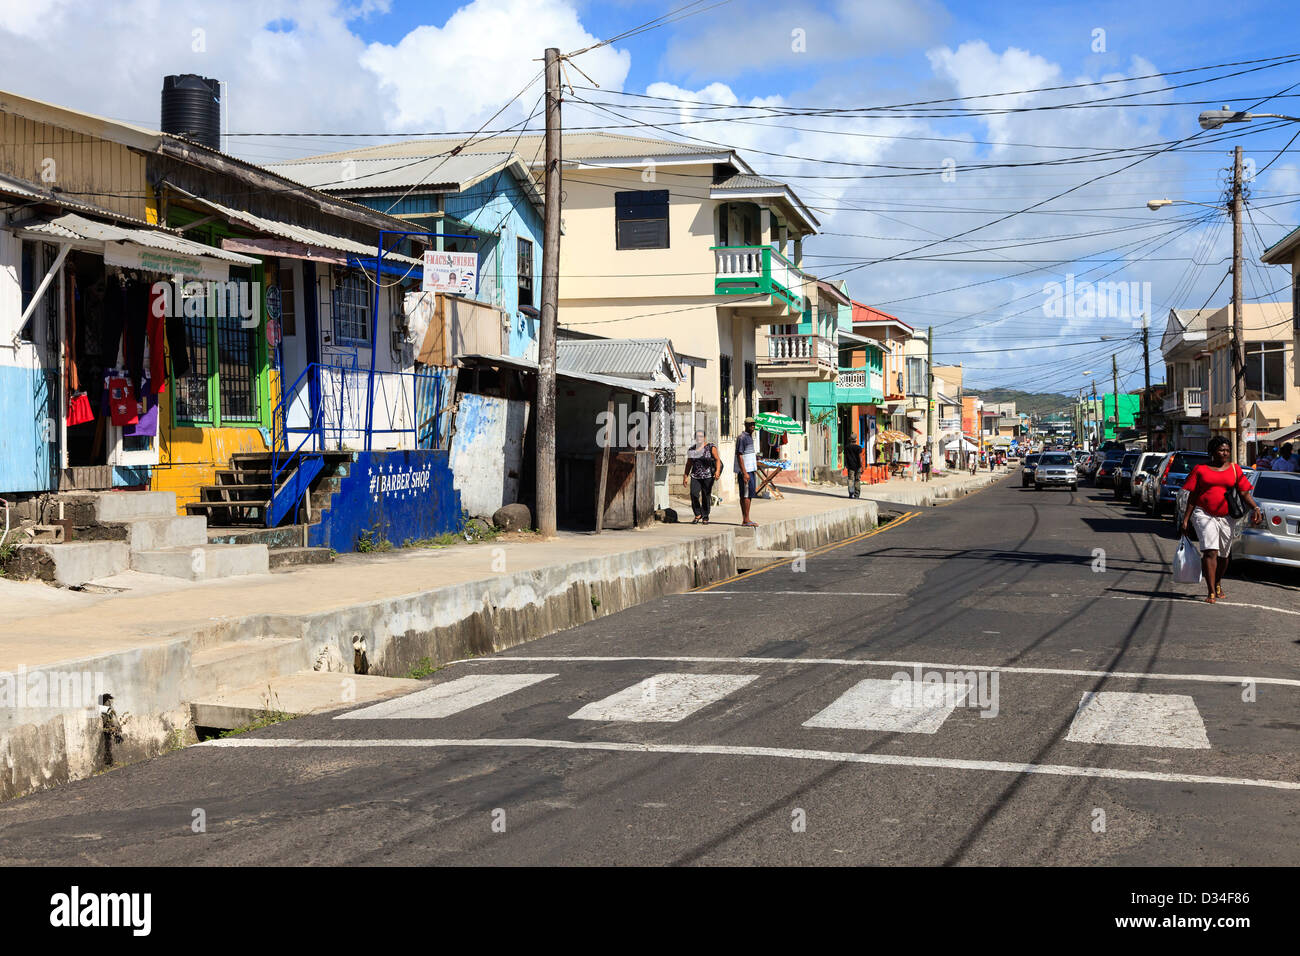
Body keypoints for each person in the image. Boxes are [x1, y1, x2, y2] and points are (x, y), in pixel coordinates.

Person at [1180, 435, 1263, 603]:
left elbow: (1244, 492)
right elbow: (1193, 496)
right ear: (1212, 451)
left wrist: (1255, 508)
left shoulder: (1234, 469)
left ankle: (1217, 582)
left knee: (1224, 556)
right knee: (1210, 551)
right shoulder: (1200, 469)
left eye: (1227, 450)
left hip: (1227, 517)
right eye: (1221, 450)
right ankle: (1211, 591)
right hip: (1204, 514)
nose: (1224, 453)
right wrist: (1186, 519)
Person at [683, 429, 722, 524]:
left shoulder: (711, 447)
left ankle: (705, 516)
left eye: (701, 436)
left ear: (704, 438)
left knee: (706, 496)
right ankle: (697, 513)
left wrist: (717, 471)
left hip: (708, 476)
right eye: (697, 437)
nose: (699, 438)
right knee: (694, 494)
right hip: (695, 476)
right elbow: (689, 464)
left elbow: (717, 460)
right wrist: (685, 476)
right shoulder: (692, 450)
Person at [735, 416, 759, 527]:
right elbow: (739, 455)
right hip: (746, 471)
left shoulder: (750, 437)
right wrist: (744, 472)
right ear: (746, 425)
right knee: (745, 495)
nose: (752, 426)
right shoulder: (742, 438)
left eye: (753, 424)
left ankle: (746, 518)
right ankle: (746, 519)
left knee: (748, 495)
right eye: (750, 424)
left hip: (750, 470)